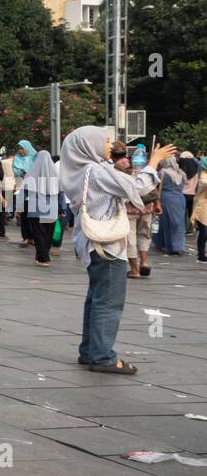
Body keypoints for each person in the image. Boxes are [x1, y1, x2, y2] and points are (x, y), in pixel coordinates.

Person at [64, 127, 177, 375]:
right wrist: (154, 163)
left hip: (91, 242)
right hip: (107, 245)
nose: (109, 144)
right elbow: (136, 187)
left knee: (96, 298)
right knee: (109, 301)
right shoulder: (95, 169)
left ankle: (89, 351)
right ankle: (103, 357)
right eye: (104, 140)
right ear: (89, 144)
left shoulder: (79, 169)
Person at [22, 149, 60, 265]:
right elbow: (61, 193)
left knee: (38, 232)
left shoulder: (31, 173)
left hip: (36, 206)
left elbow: (25, 190)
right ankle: (40, 256)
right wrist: (62, 208)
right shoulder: (56, 174)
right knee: (48, 233)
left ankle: (44, 258)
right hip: (52, 207)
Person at [155, 156, 187, 255]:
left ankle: (165, 245)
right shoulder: (181, 173)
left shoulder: (162, 173)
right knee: (178, 223)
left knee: (165, 223)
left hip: (166, 199)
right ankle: (178, 245)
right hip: (180, 199)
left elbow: (155, 187)